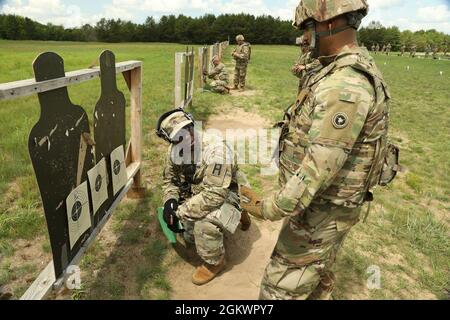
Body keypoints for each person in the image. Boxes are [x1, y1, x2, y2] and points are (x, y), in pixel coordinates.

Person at [241, 0, 397, 300]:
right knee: (316, 269)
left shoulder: (345, 85)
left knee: (279, 289)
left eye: (306, 28)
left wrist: (267, 207)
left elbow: (318, 168)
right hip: (323, 206)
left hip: (321, 209)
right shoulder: (340, 66)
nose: (302, 38)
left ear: (327, 24)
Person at [157, 109, 251, 286]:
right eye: (179, 135)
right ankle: (236, 217)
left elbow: (214, 195)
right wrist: (170, 201)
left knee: (203, 224)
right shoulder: (174, 152)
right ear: (170, 140)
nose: (187, 136)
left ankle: (215, 263)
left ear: (193, 125)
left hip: (227, 191)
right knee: (190, 237)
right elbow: (170, 181)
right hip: (202, 190)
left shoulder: (216, 149)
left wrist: (179, 213)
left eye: (189, 129)